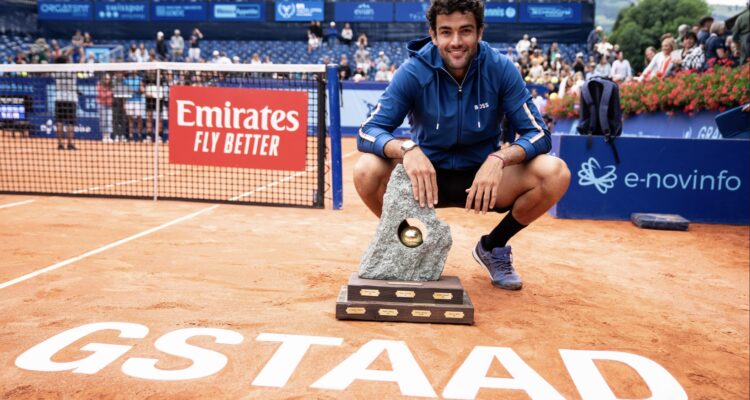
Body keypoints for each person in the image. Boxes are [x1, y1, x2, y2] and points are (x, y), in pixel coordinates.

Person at [354, 0, 570, 291]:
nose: (456, 42)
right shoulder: (413, 71)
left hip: (484, 181)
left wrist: (499, 159)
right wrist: (407, 149)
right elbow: (369, 131)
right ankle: (410, 241)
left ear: (480, 31)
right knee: (366, 169)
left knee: (556, 172)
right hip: (426, 181)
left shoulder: (500, 68)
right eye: (446, 32)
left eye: (465, 31)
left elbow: (539, 134)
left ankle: (493, 247)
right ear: (433, 35)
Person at [53, 53, 78, 150]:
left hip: (59, 98)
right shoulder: (72, 70)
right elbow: (82, 60)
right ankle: (70, 144)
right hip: (71, 99)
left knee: (59, 122)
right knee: (70, 123)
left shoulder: (55, 71)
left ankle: (60, 144)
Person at [97, 73, 114, 142]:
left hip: (109, 105)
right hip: (102, 105)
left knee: (109, 121)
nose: (108, 80)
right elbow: (102, 95)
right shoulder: (99, 85)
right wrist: (110, 92)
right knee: (103, 121)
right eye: (106, 79)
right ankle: (104, 136)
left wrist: (110, 92)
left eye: (109, 79)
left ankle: (108, 136)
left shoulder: (111, 86)